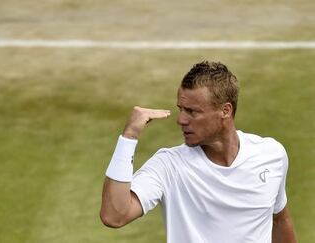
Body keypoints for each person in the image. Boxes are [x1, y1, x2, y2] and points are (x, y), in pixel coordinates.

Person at [100, 61, 297, 243]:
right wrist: (129, 136)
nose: (181, 120)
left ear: (225, 111)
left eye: (192, 111)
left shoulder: (271, 155)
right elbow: (114, 215)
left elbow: (279, 220)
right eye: (180, 109)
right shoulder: (168, 166)